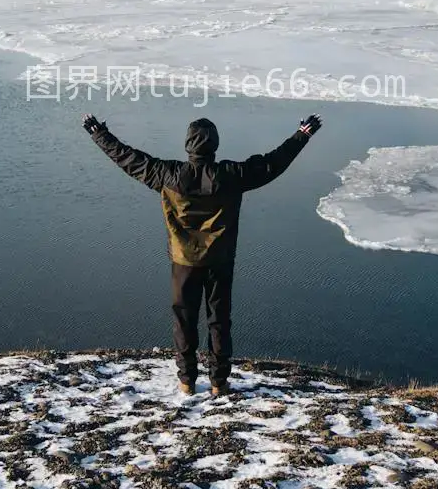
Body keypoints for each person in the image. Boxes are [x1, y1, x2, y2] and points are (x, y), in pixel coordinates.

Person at [82, 112, 321, 396]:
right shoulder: (231, 175)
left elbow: (128, 158)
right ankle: (219, 383)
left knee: (184, 320)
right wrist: (302, 135)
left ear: (188, 145)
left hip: (183, 262)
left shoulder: (167, 174)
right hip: (220, 260)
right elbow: (272, 163)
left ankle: (187, 382)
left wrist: (99, 134)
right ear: (215, 146)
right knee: (219, 320)